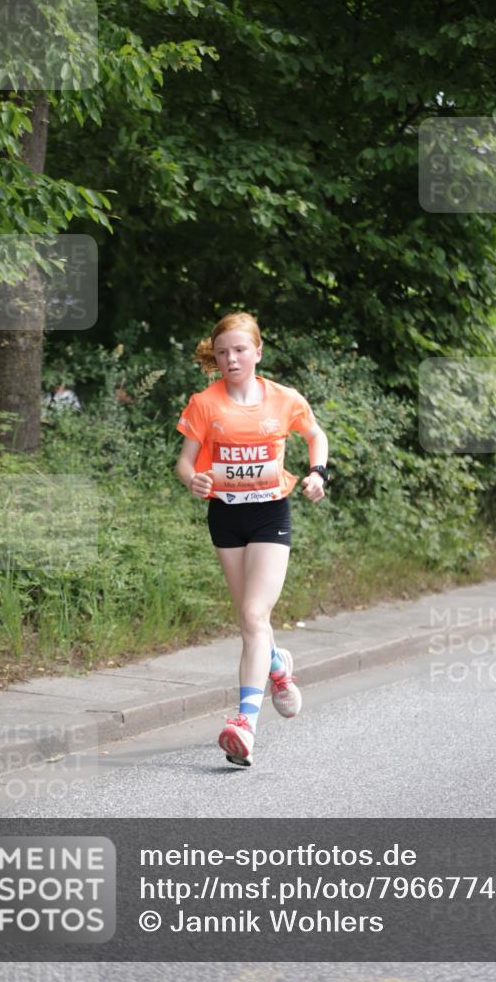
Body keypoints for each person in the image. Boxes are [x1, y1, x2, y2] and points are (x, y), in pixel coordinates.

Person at [175, 312, 329, 767]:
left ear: (257, 352)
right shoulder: (204, 403)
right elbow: (184, 462)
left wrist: (318, 473)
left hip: (269, 515)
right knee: (250, 620)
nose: (231, 359)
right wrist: (193, 480)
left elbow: (315, 435)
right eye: (223, 352)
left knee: (253, 614)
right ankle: (277, 666)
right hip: (225, 516)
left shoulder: (284, 399)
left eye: (240, 350)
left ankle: (245, 724)